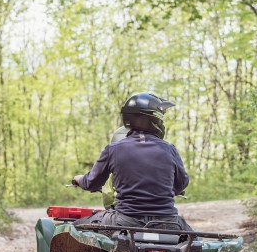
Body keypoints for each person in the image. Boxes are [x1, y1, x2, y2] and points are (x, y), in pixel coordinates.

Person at [72, 92, 190, 230]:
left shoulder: (114, 149)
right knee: (195, 243)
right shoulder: (169, 149)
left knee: (74, 228)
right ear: (156, 120)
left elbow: (91, 183)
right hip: (167, 223)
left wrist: (78, 179)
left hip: (125, 221)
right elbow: (181, 184)